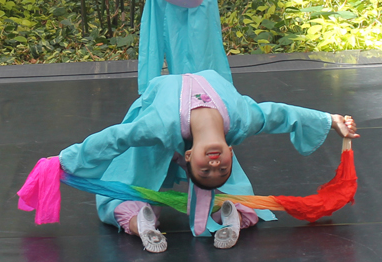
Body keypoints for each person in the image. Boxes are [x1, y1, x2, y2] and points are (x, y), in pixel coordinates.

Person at [53, 70, 360, 252]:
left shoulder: (159, 124)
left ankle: (140, 218)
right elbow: (280, 114)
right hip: (175, 126)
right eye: (220, 166)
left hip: (163, 121)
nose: (214, 163)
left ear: (190, 158)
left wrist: (65, 161)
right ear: (230, 152)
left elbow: (115, 138)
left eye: (206, 167)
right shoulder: (241, 119)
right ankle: (231, 210)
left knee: (117, 191)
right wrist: (330, 120)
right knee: (229, 188)